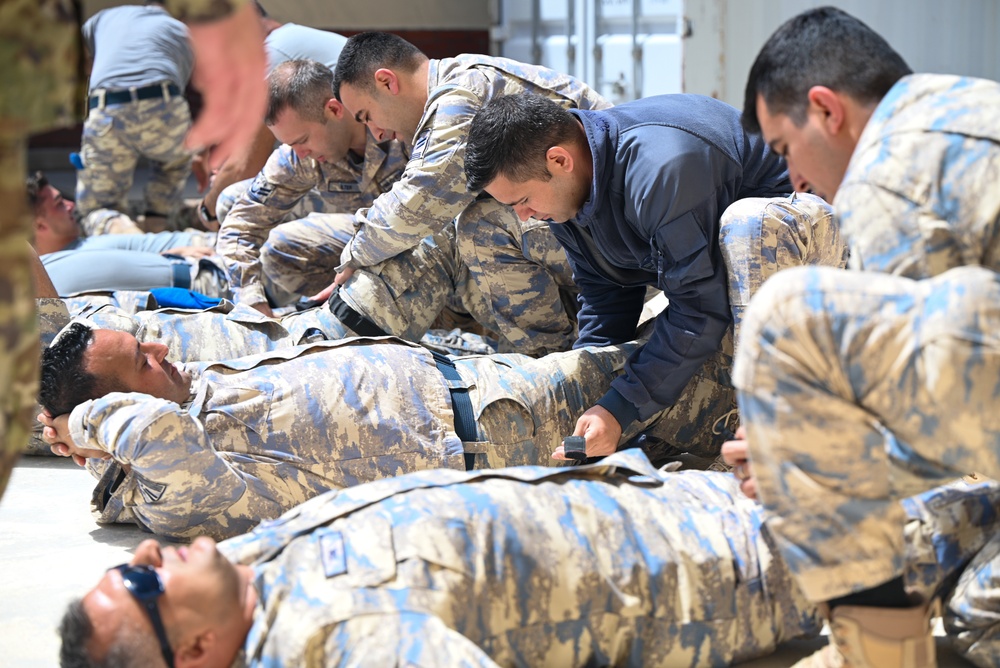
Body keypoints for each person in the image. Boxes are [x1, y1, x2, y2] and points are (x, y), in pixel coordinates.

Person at [58, 450, 1000, 667]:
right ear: (193, 652)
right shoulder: (331, 641)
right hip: (748, 564)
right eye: (141, 580)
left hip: (688, 496)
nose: (145, 551)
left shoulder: (248, 565)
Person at [728, 7, 1000, 667]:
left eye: (785, 149)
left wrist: (798, 456)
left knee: (789, 320)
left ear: (827, 110)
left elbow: (926, 412)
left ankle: (880, 655)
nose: (791, 179)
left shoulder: (886, 171)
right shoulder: (964, 103)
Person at [38, 323, 713, 540]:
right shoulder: (172, 485)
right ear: (111, 414)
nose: (161, 350)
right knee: (709, 380)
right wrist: (79, 424)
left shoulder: (186, 392)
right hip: (510, 430)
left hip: (494, 385)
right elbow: (151, 430)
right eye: (142, 363)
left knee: (700, 382)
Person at [464, 93, 844, 460]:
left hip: (820, 264)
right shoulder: (571, 190)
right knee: (644, 363)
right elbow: (605, 298)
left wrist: (621, 408)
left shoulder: (660, 168)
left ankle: (773, 434)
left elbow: (699, 310)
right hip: (732, 293)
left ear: (559, 161)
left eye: (522, 201)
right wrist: (589, 395)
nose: (524, 216)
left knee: (747, 226)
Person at [0, 0, 266, 505]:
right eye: (54, 204)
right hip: (212, 288)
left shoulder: (66, 298)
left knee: (110, 213)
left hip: (211, 300)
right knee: (135, 206)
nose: (66, 203)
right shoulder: (59, 315)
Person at [332, 31, 611, 356]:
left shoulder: (460, 95)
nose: (376, 133)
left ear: (387, 82)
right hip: (587, 225)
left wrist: (352, 256)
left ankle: (547, 365)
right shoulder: (455, 85)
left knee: (479, 229)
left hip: (615, 234)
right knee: (449, 235)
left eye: (367, 116)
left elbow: (415, 205)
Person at [216, 59, 408, 314]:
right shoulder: (298, 155)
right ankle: (341, 304)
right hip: (366, 238)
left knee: (280, 243)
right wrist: (252, 301)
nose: (300, 154)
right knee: (232, 201)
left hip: (421, 240)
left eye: (303, 140)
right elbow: (240, 226)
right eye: (290, 144)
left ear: (334, 109)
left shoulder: (397, 126)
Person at [199, 1, 351, 227]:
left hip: (369, 179)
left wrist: (207, 210)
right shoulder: (291, 40)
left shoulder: (273, 56)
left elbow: (244, 165)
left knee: (233, 202)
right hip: (362, 165)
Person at [75, 1, 196, 233]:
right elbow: (177, 85)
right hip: (163, 102)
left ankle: (118, 228)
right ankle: (158, 221)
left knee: (97, 207)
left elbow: (76, 54)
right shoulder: (182, 31)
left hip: (109, 107)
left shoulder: (104, 18)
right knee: (173, 165)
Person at [29, 174, 228, 298]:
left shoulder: (75, 250)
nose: (70, 205)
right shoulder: (53, 278)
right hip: (209, 270)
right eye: (58, 204)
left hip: (209, 252)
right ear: (38, 224)